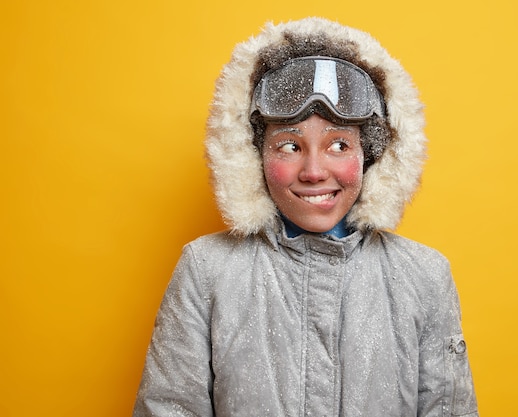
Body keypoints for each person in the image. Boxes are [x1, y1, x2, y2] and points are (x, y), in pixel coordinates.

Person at [133, 17, 478, 417]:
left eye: (338, 144)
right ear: (253, 156)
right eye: (289, 146)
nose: (314, 171)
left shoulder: (424, 277)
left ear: (371, 155)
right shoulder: (206, 271)